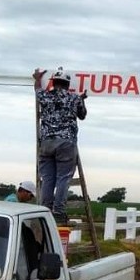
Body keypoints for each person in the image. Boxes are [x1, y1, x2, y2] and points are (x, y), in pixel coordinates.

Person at [32, 67, 87, 224]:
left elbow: (37, 89)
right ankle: (58, 211)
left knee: (48, 178)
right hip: (65, 142)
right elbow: (82, 115)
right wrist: (82, 99)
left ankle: (45, 209)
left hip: (46, 142)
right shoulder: (74, 98)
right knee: (63, 178)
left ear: (53, 82)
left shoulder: (44, 96)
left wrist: (37, 78)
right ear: (67, 85)